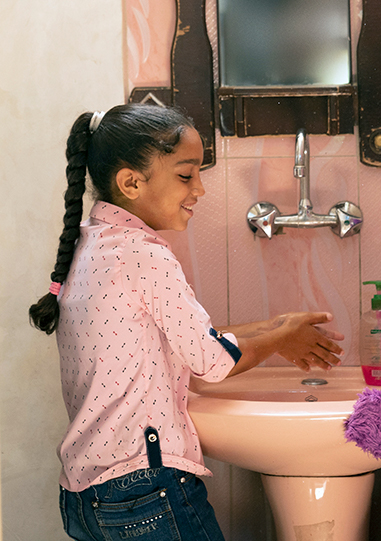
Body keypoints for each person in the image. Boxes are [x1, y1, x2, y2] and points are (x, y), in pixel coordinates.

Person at [28, 103, 346, 540]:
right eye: (185, 174)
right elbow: (211, 361)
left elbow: (177, 340)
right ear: (131, 182)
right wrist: (279, 340)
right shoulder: (145, 253)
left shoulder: (94, 243)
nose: (199, 189)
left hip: (87, 498)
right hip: (146, 491)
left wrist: (277, 327)